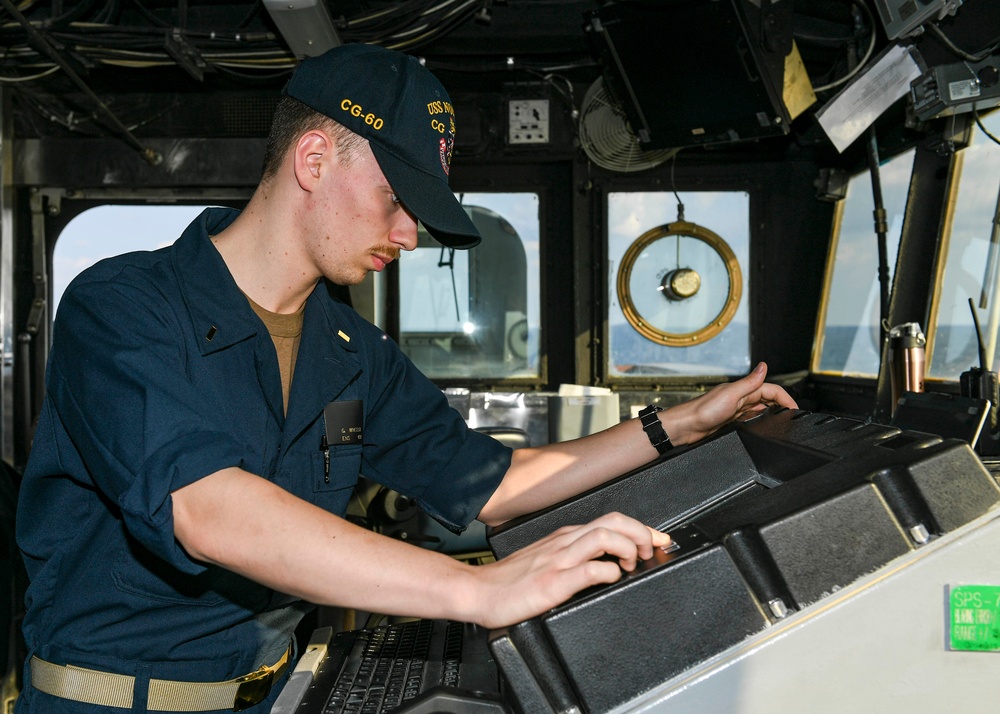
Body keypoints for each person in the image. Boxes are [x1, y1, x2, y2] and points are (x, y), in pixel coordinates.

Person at [14, 43, 797, 713]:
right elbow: (210, 510)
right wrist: (478, 589)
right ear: (314, 159)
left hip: (284, 688)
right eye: (395, 200)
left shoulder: (351, 347)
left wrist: (677, 427)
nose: (408, 235)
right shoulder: (124, 307)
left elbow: (485, 483)